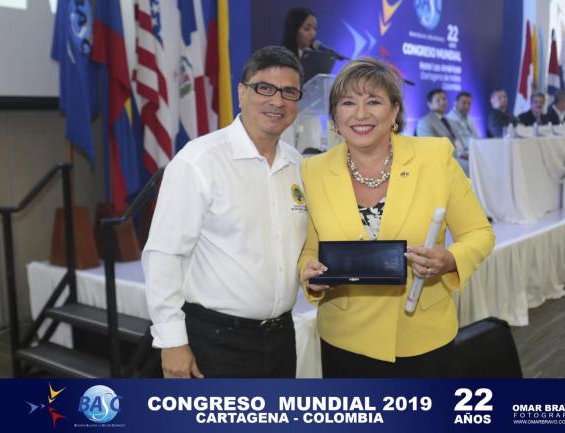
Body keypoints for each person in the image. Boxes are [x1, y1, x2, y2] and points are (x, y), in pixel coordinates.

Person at [298, 57, 495, 378]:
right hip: (344, 339)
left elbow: (479, 233)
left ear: (395, 112)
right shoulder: (313, 170)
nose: (360, 114)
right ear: (334, 116)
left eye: (373, 101)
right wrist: (310, 273)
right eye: (348, 102)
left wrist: (449, 260)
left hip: (422, 337)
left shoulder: (435, 157)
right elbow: (310, 249)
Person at [142, 46, 308, 378]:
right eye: (265, 88)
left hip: (281, 338)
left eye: (289, 92)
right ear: (242, 93)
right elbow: (164, 255)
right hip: (216, 341)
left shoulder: (298, 164)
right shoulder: (199, 161)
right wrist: (171, 341)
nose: (277, 101)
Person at [417, 89, 467, 173]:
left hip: (458, 156)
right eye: (438, 100)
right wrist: (459, 154)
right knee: (470, 166)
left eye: (444, 99)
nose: (443, 102)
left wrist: (464, 153)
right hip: (442, 161)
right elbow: (432, 148)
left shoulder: (450, 120)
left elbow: (459, 140)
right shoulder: (424, 122)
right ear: (430, 104)